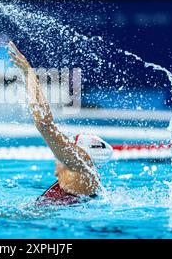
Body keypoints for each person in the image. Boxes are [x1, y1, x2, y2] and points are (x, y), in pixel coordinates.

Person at [8, 41, 113, 205]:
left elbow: (44, 123)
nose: (60, 147)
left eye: (69, 144)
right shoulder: (82, 179)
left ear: (81, 154)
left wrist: (29, 73)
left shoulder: (81, 169)